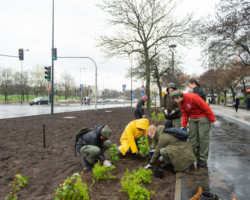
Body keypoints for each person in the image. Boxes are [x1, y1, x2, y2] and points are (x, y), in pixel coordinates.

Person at [170, 89, 221, 166]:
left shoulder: (193, 97)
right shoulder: (181, 102)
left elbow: (206, 107)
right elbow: (185, 114)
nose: (174, 101)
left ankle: (203, 158)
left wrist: (212, 120)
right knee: (192, 137)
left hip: (202, 116)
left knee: (203, 137)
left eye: (174, 99)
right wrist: (183, 126)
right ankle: (190, 156)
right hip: (193, 117)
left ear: (179, 97)